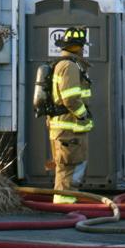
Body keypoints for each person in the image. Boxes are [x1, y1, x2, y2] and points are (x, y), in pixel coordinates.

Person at [48, 25, 93, 204]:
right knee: (69, 171)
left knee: (67, 170)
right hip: (70, 129)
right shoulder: (70, 66)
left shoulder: (63, 65)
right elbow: (71, 98)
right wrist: (83, 115)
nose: (83, 50)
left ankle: (65, 204)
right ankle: (64, 207)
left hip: (66, 129)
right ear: (78, 47)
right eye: (82, 46)